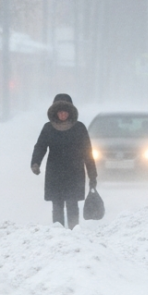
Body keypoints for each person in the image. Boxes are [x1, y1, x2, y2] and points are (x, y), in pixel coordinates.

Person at [31, 93, 97, 229]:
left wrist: (92, 175)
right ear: (55, 112)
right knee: (57, 204)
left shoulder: (79, 128)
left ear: (70, 112)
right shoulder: (48, 128)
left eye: (65, 111)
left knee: (72, 203)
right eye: (59, 111)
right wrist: (35, 163)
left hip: (74, 173)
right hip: (55, 173)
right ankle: (58, 231)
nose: (62, 114)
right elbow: (40, 146)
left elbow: (87, 153)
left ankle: (73, 230)